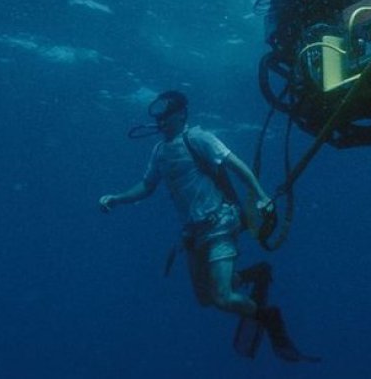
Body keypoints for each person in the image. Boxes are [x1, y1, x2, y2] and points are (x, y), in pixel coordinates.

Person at [99, 90, 315, 362]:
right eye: (157, 112)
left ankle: (270, 319)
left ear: (180, 114)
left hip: (220, 224)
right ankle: (255, 274)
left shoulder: (198, 138)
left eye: (166, 113)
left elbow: (235, 165)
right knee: (205, 299)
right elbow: (147, 186)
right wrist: (117, 198)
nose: (161, 119)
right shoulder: (159, 150)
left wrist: (261, 196)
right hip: (193, 233)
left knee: (223, 297)